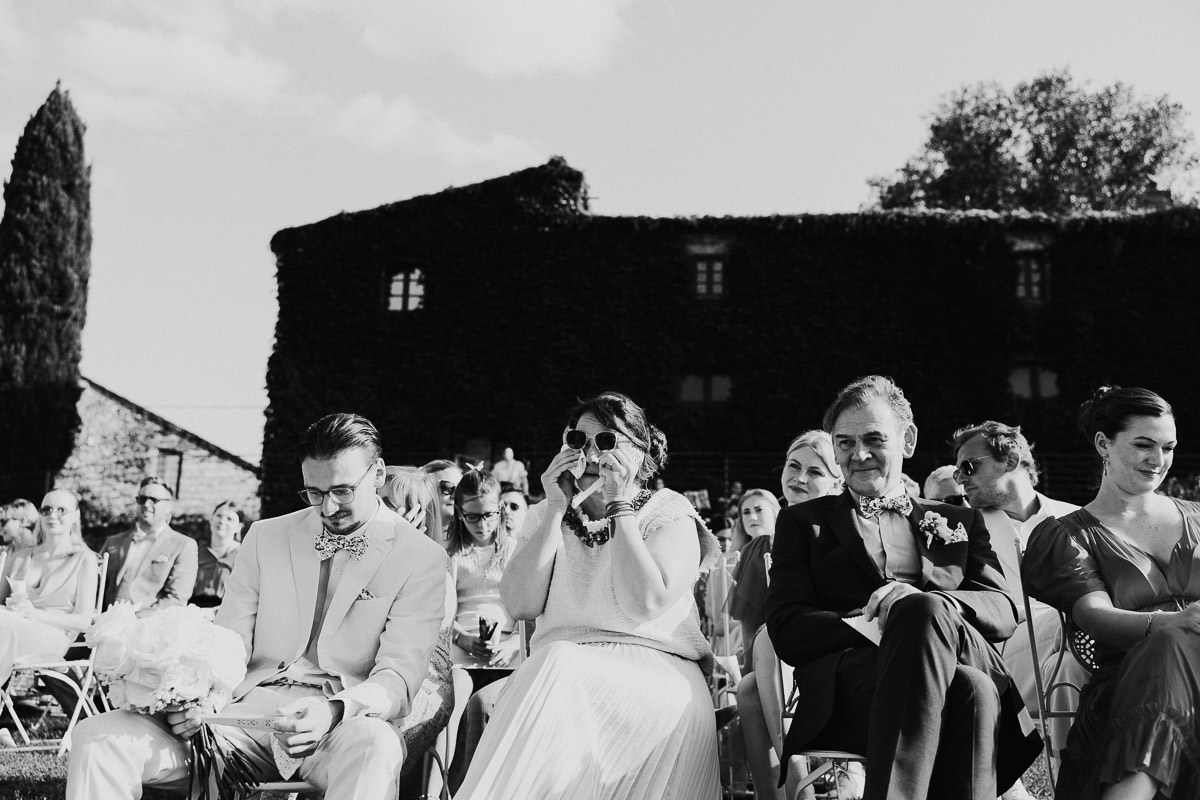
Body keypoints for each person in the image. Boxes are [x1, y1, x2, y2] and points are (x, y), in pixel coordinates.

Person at [67, 413, 448, 800]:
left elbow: (398, 677)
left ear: (379, 474)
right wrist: (196, 699)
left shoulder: (420, 558)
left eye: (343, 491)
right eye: (314, 493)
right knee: (97, 737)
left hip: (341, 727)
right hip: (236, 721)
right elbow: (229, 641)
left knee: (377, 745)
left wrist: (334, 710)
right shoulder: (266, 537)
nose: (328, 508)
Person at [765, 375, 1041, 800]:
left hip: (951, 649)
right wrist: (877, 623)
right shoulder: (803, 523)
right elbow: (787, 627)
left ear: (907, 440)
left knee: (925, 611)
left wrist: (933, 607)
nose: (858, 455)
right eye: (844, 443)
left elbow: (1003, 609)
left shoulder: (961, 521)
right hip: (855, 687)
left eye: (874, 439)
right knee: (973, 690)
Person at [455, 391, 721, 800]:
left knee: (557, 665)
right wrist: (556, 506)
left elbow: (644, 603)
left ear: (638, 453)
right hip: (561, 676)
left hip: (654, 672)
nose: (591, 453)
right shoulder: (546, 515)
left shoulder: (669, 511)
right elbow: (520, 604)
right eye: (578, 440)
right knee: (555, 666)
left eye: (607, 441)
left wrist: (620, 504)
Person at [1022, 386, 1200, 800]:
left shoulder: (1197, 516)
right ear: (1103, 443)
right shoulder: (1067, 535)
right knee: (1170, 642)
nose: (1158, 460)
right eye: (1143, 445)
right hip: (1128, 684)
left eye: (1168, 447)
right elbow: (1095, 617)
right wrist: (1174, 624)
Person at [953, 421, 1081, 800]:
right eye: (957, 469)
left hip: (1073, 660)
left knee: (1071, 670)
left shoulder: (1077, 519)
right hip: (1002, 658)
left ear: (1010, 458)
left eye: (969, 466)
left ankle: (1070, 784)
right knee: (1069, 623)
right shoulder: (958, 528)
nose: (959, 478)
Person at [734, 431, 846, 800]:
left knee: (766, 643)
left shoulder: (851, 525)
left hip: (846, 644)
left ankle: (799, 783)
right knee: (748, 689)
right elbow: (755, 618)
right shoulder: (775, 536)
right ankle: (785, 793)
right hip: (790, 651)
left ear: (837, 479)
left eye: (814, 471)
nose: (798, 477)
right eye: (793, 466)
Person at [377, 465, 457, 799]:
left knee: (373, 754)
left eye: (389, 505)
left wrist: (399, 553)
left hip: (422, 688)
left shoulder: (434, 567)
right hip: (375, 681)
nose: (377, 513)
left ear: (419, 516)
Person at [444, 469, 523, 792]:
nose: (482, 524)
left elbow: (529, 611)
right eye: (472, 517)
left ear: (500, 511)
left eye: (489, 515)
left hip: (507, 653)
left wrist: (514, 643)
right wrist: (463, 638)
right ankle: (445, 786)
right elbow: (441, 612)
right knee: (453, 706)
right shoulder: (451, 555)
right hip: (462, 651)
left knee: (485, 709)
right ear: (460, 513)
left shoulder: (517, 549)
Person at [0, 489, 98, 689]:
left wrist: (33, 614)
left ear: (75, 515)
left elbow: (82, 621)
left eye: (61, 510)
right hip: (12, 626)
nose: (53, 515)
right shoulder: (21, 555)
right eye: (47, 509)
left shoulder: (84, 559)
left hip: (53, 637)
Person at [98, 478, 197, 611]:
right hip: (105, 621)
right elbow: (95, 583)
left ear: (169, 507)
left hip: (147, 626)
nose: (146, 504)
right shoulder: (113, 542)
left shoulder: (183, 545)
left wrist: (140, 621)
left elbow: (175, 598)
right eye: (142, 499)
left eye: (154, 500)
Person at [190, 500, 243, 608]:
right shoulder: (195, 551)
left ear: (239, 527)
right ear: (211, 520)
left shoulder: (243, 555)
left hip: (226, 612)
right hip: (194, 610)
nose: (222, 521)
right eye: (219, 516)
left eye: (229, 519)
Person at [422, 459, 463, 546]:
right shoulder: (413, 532)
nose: (455, 495)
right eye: (448, 487)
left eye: (461, 488)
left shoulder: (473, 536)